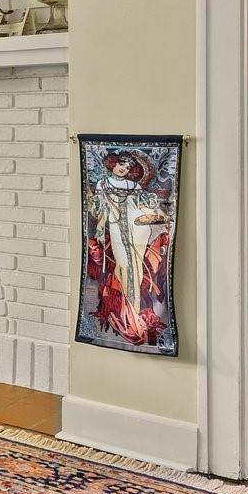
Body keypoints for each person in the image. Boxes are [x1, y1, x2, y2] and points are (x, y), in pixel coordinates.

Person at [85, 149, 173, 347]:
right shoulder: (103, 184)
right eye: (121, 164)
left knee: (136, 267)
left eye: (127, 166)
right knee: (123, 266)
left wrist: (151, 201)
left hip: (135, 231)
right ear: (113, 164)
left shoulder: (132, 185)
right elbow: (96, 210)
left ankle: (134, 312)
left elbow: (147, 203)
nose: (124, 168)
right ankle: (125, 314)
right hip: (115, 229)